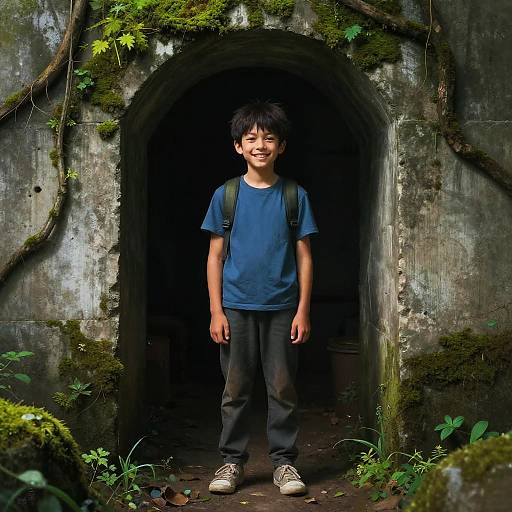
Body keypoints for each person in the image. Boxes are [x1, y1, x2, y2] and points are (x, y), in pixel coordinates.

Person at [200, 101, 318, 496]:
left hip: (283, 308)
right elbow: (215, 256)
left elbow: (304, 255)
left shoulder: (293, 195)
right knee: (235, 390)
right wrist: (216, 310)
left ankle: (284, 464)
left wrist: (303, 310)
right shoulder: (227, 195)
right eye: (251, 138)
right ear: (238, 146)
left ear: (281, 146)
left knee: (282, 387)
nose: (260, 145)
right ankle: (231, 462)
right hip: (235, 307)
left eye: (268, 138)